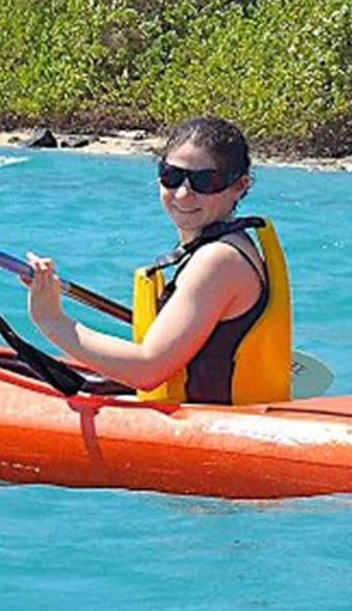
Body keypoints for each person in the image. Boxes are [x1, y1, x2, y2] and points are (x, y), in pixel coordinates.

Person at [22, 116, 293, 404]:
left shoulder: (218, 260)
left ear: (239, 186)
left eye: (205, 181)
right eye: (172, 176)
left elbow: (147, 369)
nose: (183, 193)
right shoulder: (228, 244)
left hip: (206, 431)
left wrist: (51, 319)